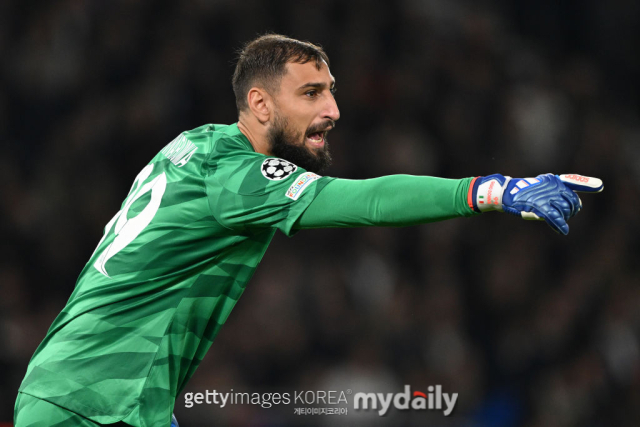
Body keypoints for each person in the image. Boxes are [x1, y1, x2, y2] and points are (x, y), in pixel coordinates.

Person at [14, 34, 602, 426]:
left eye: (332, 92)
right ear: (260, 104)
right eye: (311, 94)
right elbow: (366, 201)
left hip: (97, 391)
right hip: (92, 402)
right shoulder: (239, 176)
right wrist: (490, 190)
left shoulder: (194, 145)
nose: (333, 111)